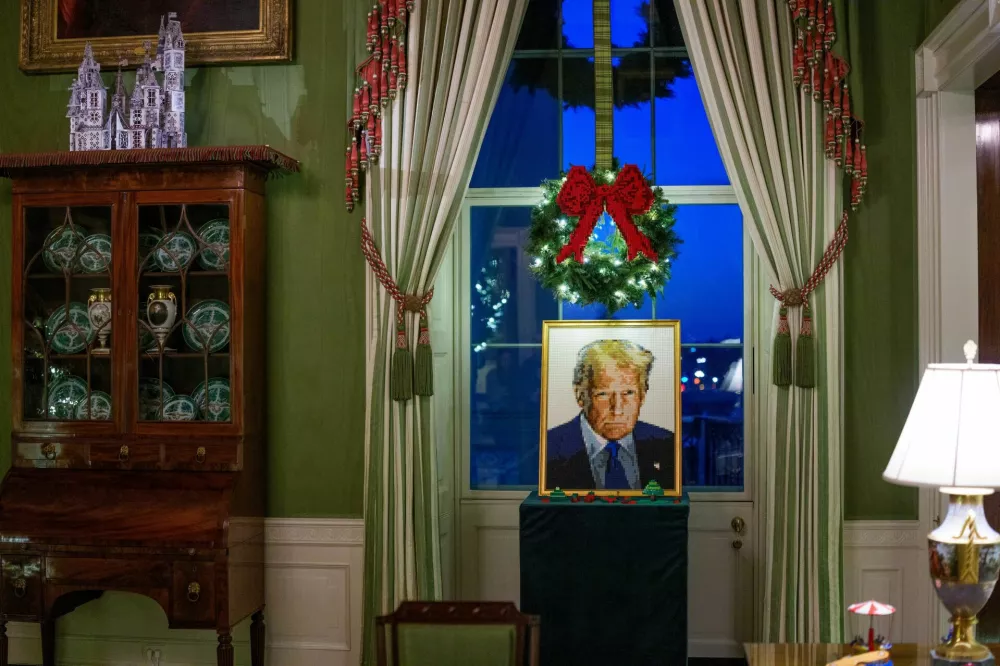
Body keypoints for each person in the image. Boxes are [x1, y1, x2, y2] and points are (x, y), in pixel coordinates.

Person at [545, 339, 675, 491]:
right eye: (603, 394)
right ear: (580, 396)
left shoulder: (667, 445)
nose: (618, 409)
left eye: (628, 393)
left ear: (643, 396)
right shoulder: (548, 448)